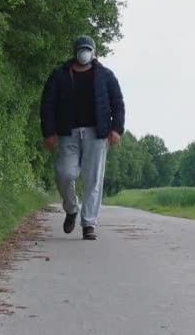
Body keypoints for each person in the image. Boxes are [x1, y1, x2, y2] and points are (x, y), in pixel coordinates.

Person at [40, 36, 125, 240]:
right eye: (81, 49)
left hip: (97, 134)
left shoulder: (105, 75)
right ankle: (71, 209)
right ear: (75, 51)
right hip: (68, 133)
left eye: (87, 49)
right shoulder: (59, 75)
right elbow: (47, 104)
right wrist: (49, 132)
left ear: (93, 52)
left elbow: (118, 103)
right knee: (64, 174)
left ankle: (89, 224)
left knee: (93, 179)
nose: (84, 53)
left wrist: (116, 130)